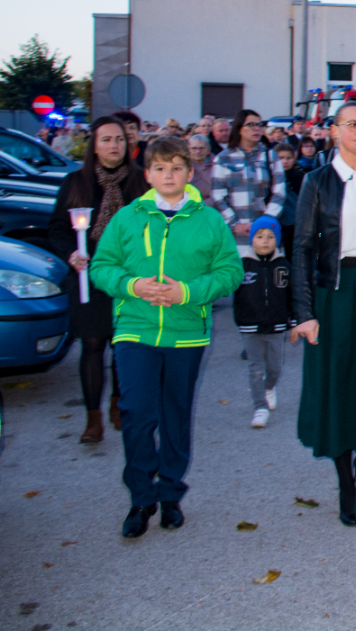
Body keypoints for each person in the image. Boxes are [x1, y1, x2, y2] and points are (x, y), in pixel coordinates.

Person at [89, 136, 243, 538]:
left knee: (176, 414)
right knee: (138, 413)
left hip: (186, 334)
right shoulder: (127, 218)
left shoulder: (209, 220)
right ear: (148, 175)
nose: (168, 175)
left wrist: (186, 292)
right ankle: (141, 497)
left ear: (189, 173)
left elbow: (230, 271)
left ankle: (171, 492)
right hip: (135, 330)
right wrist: (133, 285)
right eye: (160, 168)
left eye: (176, 167)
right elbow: (101, 267)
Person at [290, 101, 356, 527]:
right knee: (339, 384)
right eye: (350, 124)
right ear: (332, 132)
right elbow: (301, 248)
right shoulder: (317, 182)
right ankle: (345, 483)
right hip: (335, 292)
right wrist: (304, 312)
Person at [48, 116, 147, 443]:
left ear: (127, 143)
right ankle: (93, 416)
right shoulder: (76, 182)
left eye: (119, 139)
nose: (113, 145)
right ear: (94, 144)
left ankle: (118, 404)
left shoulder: (138, 182)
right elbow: (58, 230)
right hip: (86, 276)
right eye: (106, 139)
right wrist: (70, 255)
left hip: (127, 277)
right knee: (92, 344)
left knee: (123, 342)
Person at [235, 216, 292, 429]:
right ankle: (260, 407)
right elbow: (234, 293)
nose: (265, 241)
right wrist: (240, 319)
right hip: (250, 326)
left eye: (270, 237)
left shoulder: (284, 266)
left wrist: (294, 321)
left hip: (276, 326)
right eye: (259, 236)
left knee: (275, 367)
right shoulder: (241, 266)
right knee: (256, 367)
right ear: (252, 240)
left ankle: (270, 387)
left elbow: (292, 295)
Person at [210, 110, 286, 257]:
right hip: (236, 235)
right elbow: (217, 197)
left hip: (266, 234)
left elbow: (279, 192)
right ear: (239, 128)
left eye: (259, 125)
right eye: (251, 125)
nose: (256, 129)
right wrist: (234, 224)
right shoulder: (223, 159)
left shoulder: (270, 156)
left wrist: (265, 222)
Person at [274, 142, 304, 257]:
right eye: (281, 158)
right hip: (276, 222)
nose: (285, 161)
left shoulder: (301, 177)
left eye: (288, 158)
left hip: (295, 223)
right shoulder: (271, 177)